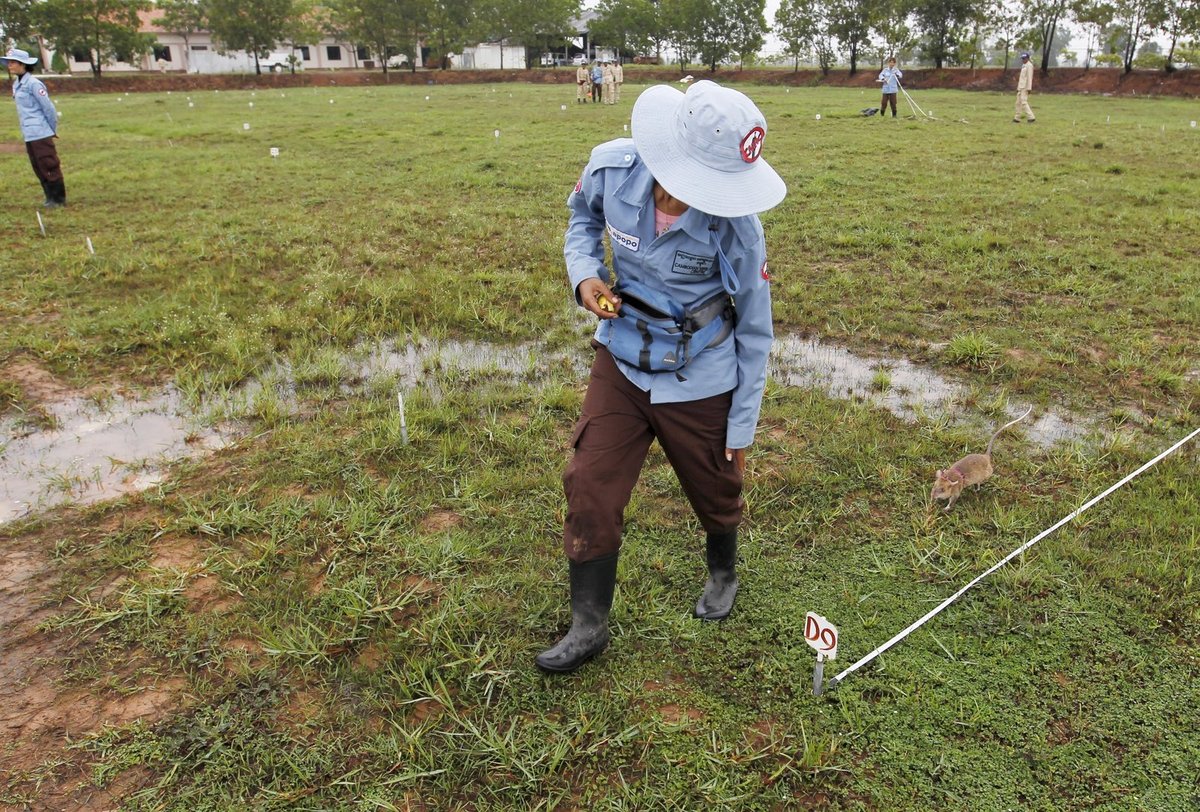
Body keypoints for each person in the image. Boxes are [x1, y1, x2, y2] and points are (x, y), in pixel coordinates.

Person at [537, 80, 787, 673]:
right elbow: (581, 220)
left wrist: (741, 426)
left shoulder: (738, 228)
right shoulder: (610, 169)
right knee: (589, 482)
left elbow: (756, 331)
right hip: (621, 360)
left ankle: (722, 569)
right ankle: (589, 623)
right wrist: (584, 276)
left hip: (702, 375)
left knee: (718, 489)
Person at [2, 48, 66, 208]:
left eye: (13, 62)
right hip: (29, 133)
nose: (9, 65)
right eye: (8, 62)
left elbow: (48, 108)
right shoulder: (17, 84)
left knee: (49, 164)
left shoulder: (34, 84)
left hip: (41, 132)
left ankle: (58, 199)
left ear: (22, 64)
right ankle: (49, 197)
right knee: (38, 166)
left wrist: (51, 129)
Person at [1014, 51, 1036, 123]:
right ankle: (1017, 118)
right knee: (1018, 103)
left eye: (1024, 58)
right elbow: (1021, 78)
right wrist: (1018, 88)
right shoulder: (1024, 66)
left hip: (1025, 87)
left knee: (1023, 102)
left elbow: (1029, 77)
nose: (1023, 60)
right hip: (1021, 86)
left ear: (1028, 58)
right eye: (1022, 58)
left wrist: (1029, 88)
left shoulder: (1029, 65)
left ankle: (1031, 117)